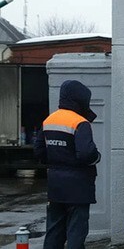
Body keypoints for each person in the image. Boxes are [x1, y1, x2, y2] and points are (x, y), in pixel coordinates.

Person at [34, 80, 101, 249]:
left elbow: (39, 151)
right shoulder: (80, 122)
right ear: (80, 99)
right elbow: (87, 153)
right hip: (78, 187)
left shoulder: (49, 120)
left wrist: (56, 162)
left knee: (54, 231)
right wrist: (97, 157)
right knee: (76, 232)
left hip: (55, 185)